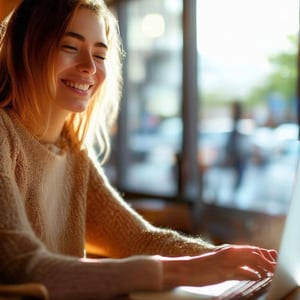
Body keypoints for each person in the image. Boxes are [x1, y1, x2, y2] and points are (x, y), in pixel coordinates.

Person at [0, 0, 277, 299]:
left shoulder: (72, 150)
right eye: (70, 47)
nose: (90, 67)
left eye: (99, 54)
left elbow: (137, 238)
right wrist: (184, 271)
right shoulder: (4, 135)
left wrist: (230, 259)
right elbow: (21, 266)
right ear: (27, 48)